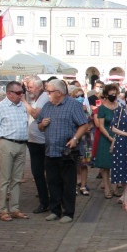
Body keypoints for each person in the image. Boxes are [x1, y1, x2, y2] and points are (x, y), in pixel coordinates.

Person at [37, 79, 90, 223]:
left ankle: (68, 213)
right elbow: (39, 127)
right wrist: (42, 124)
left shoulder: (73, 105)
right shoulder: (47, 106)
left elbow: (83, 125)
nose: (47, 94)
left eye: (49, 91)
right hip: (50, 151)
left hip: (67, 152)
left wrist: (75, 139)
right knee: (52, 182)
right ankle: (55, 210)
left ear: (59, 93)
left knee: (68, 183)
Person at [0, 81, 30, 221]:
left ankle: (15, 208)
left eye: (21, 92)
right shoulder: (0, 106)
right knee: (4, 178)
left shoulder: (22, 105)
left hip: (21, 144)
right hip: (6, 142)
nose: (20, 95)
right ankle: (3, 210)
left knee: (17, 179)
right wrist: (2, 142)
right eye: (17, 93)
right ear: (9, 93)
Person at [24, 76, 52, 214]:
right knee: (37, 172)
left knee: (49, 172)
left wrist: (24, 102)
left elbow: (36, 114)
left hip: (43, 141)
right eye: (28, 87)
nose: (29, 90)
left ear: (39, 87)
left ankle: (51, 200)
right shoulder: (34, 98)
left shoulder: (44, 97)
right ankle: (44, 201)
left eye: (31, 87)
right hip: (33, 141)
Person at [93, 84, 119, 198]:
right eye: (111, 94)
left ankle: (115, 187)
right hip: (106, 137)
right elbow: (101, 125)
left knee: (117, 163)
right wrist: (109, 136)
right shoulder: (102, 108)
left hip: (118, 136)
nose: (113, 96)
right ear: (106, 95)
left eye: (115, 94)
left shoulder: (120, 107)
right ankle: (107, 188)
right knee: (105, 165)